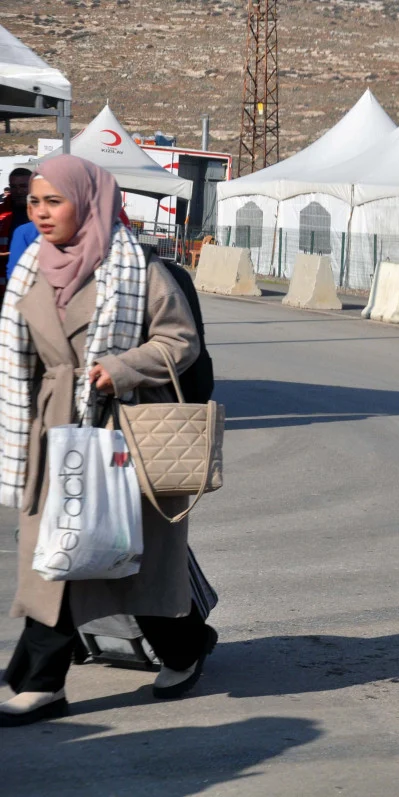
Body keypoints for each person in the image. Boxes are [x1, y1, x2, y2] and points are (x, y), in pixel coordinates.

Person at [0, 156, 216, 727]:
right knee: (56, 554)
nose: (41, 214)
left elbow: (180, 341)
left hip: (121, 430)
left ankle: (184, 644)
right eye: (34, 203)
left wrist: (120, 368)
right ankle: (41, 679)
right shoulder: (30, 267)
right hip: (50, 429)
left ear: (88, 202)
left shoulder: (136, 267)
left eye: (54, 202)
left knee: (123, 554)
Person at [1, 167, 33, 280]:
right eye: (14, 187)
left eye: (23, 186)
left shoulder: (46, 214)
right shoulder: (1, 214)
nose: (18, 191)